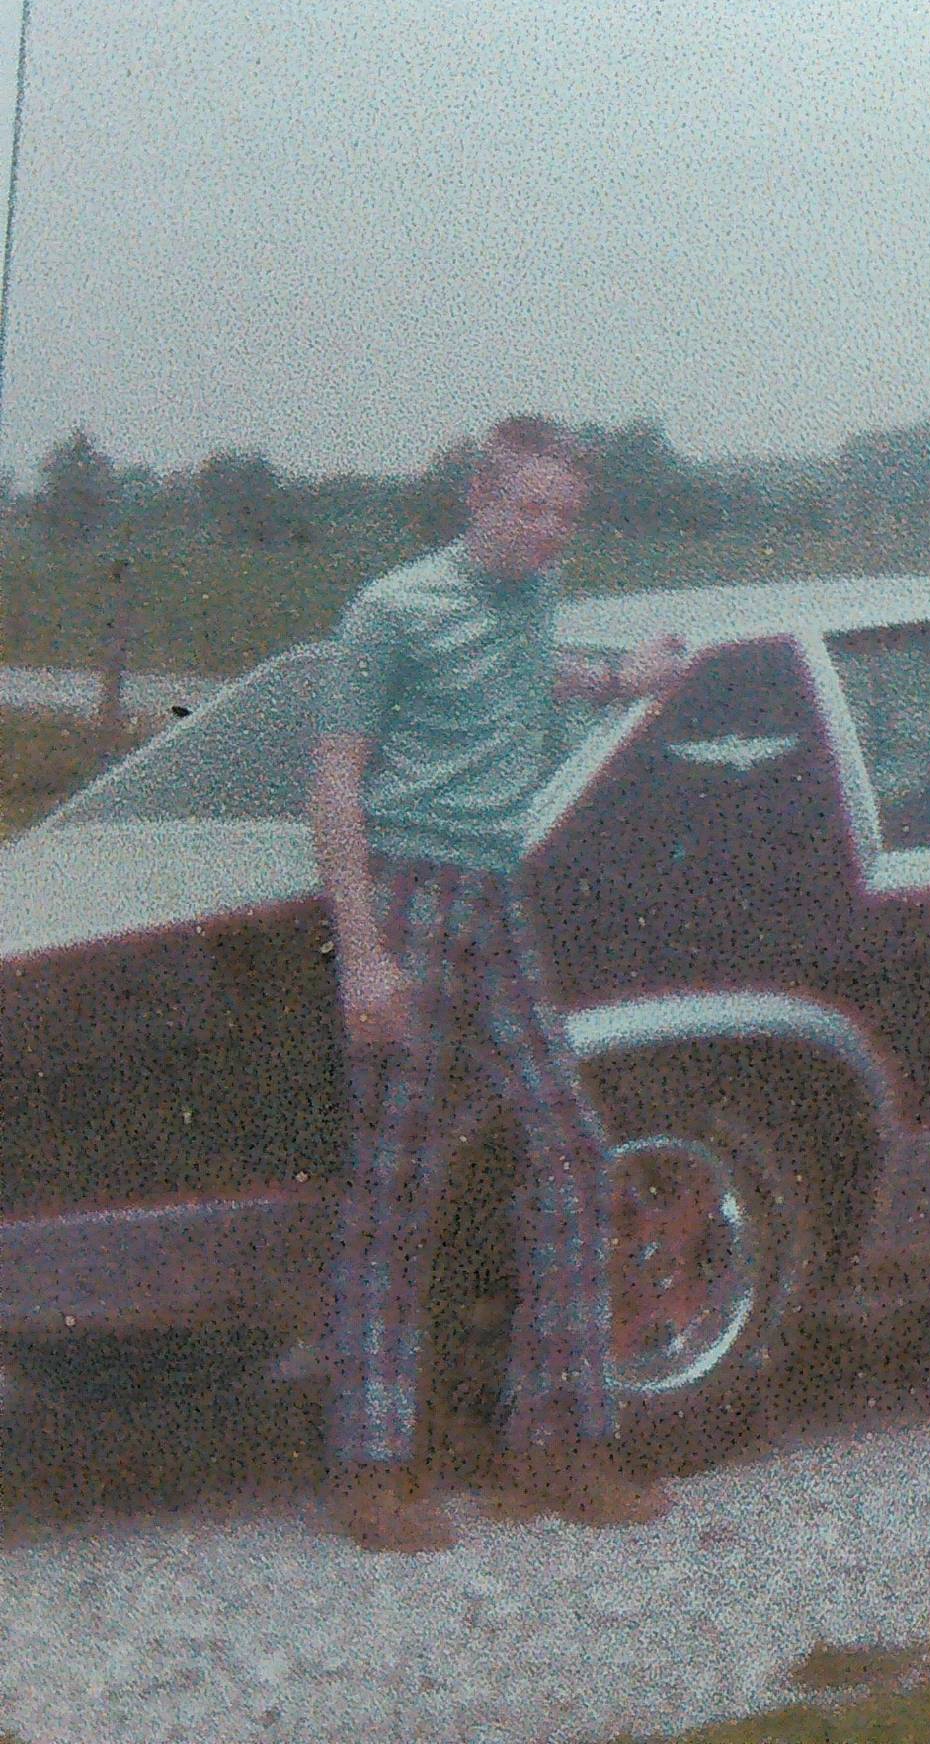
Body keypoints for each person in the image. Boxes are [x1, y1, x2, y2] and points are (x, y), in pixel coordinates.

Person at [308, 415, 688, 1550]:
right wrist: (366, 954)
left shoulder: (532, 601)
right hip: (410, 897)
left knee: (572, 1147)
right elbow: (333, 785)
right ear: (477, 497)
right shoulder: (389, 611)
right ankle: (374, 1472)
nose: (547, 532)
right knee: (394, 1179)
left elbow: (538, 671)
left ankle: (555, 1445)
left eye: (566, 515)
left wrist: (626, 678)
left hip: (496, 899)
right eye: (529, 508)